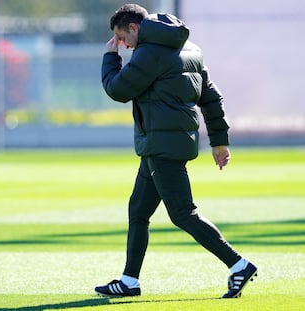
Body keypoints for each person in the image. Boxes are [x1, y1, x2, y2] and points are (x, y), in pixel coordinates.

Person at [94, 4, 257, 299]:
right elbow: (211, 97)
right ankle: (129, 281)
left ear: (134, 28)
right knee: (138, 211)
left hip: (161, 145)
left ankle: (238, 264)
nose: (125, 46)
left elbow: (118, 89)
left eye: (123, 38)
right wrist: (220, 141)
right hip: (167, 143)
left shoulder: (150, 51)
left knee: (183, 213)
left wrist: (110, 57)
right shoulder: (189, 47)